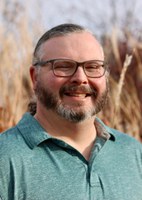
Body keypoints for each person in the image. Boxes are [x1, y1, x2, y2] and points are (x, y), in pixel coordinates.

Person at [0, 23, 142, 200]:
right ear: (35, 77)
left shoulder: (133, 153)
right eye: (64, 66)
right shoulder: (5, 157)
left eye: (92, 67)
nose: (80, 78)